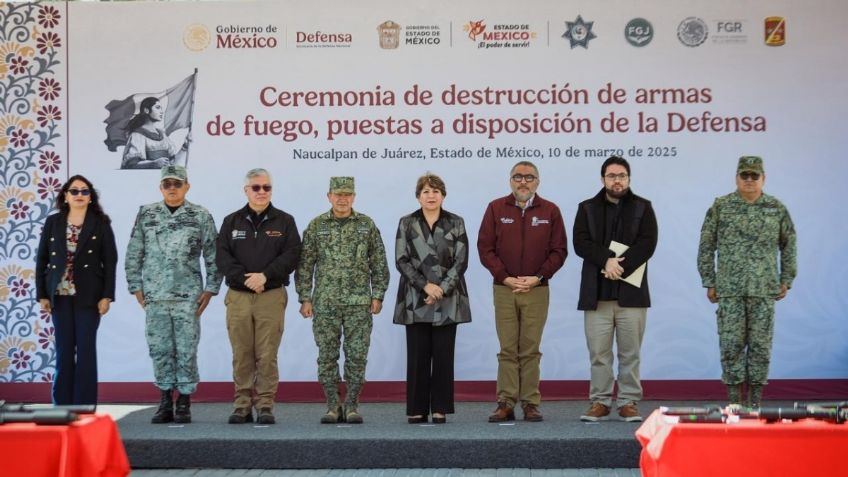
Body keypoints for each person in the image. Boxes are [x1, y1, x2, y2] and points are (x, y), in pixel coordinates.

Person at [697, 156, 797, 407]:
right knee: (731, 345)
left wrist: (787, 278)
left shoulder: (776, 208)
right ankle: (734, 403)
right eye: (745, 175)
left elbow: (789, 245)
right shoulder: (721, 206)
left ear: (763, 178)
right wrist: (709, 280)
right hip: (729, 290)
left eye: (755, 176)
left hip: (764, 290)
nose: (750, 180)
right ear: (737, 178)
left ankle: (754, 405)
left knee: (760, 348)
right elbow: (706, 245)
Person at [125, 165, 221, 424]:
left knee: (187, 349)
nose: (172, 188)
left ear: (186, 186)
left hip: (188, 295)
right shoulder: (147, 214)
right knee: (160, 349)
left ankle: (185, 402)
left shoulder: (200, 215)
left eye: (177, 184)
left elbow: (213, 255)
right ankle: (165, 399)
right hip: (155, 295)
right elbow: (135, 251)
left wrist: (211, 288)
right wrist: (135, 286)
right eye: (167, 184)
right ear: (160, 187)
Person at [477, 161, 567, 422]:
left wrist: (537, 278)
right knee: (507, 349)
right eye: (518, 176)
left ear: (537, 182)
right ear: (510, 181)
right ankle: (505, 401)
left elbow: (559, 250)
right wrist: (505, 278)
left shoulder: (551, 211)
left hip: (536, 290)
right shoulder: (496, 208)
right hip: (504, 289)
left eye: (529, 177)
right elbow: (486, 248)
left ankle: (530, 403)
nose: (523, 181)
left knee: (530, 348)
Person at [295, 177, 390, 424]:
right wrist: (305, 297)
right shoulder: (317, 226)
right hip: (325, 303)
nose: (342, 198)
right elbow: (305, 265)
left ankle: (352, 405)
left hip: (359, 303)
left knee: (357, 355)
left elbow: (379, 262)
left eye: (347, 194)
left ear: (354, 196)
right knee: (327, 355)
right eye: (338, 194)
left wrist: (378, 294)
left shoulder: (366, 225)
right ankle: (332, 405)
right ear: (329, 196)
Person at [573, 156, 658, 422]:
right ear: (603, 179)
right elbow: (580, 242)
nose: (617, 180)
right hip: (596, 294)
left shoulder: (643, 207)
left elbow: (648, 243)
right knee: (599, 353)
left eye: (621, 175)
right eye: (611, 176)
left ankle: (628, 401)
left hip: (631, 294)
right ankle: (600, 401)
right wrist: (605, 260)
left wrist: (619, 266)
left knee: (630, 352)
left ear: (629, 179)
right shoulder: (586, 208)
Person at [216, 168, 301, 425]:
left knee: (267, 354)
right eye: (256, 187)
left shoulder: (285, 221)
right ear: (246, 190)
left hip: (271, 295)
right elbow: (221, 256)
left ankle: (265, 405)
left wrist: (265, 276)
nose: (262, 192)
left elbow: (293, 253)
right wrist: (245, 279)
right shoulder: (231, 221)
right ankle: (242, 405)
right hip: (239, 297)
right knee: (242, 353)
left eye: (267, 187)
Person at [393, 173, 471, 424]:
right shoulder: (406, 223)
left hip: (448, 299)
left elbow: (461, 260)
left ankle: (440, 407)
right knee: (417, 357)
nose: (431, 195)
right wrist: (425, 286)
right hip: (416, 298)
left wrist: (441, 288)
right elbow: (401, 260)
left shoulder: (456, 222)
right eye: (426, 191)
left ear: (443, 195)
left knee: (443, 355)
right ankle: (417, 408)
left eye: (436, 191)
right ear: (418, 196)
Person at [35, 175, 118, 405]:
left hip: (89, 297)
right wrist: (41, 293)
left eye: (84, 191)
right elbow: (42, 258)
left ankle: (83, 405)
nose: (79, 195)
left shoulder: (101, 222)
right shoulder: (53, 222)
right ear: (65, 195)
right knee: (63, 351)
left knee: (85, 351)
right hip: (59, 295)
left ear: (91, 197)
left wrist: (107, 295)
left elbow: (110, 261)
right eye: (74, 191)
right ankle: (61, 404)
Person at [121, 96, 189, 169]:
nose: (161, 111)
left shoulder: (162, 135)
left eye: (161, 108)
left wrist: (184, 146)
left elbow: (173, 163)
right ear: (146, 110)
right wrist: (153, 163)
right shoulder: (137, 135)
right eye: (157, 107)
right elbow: (132, 164)